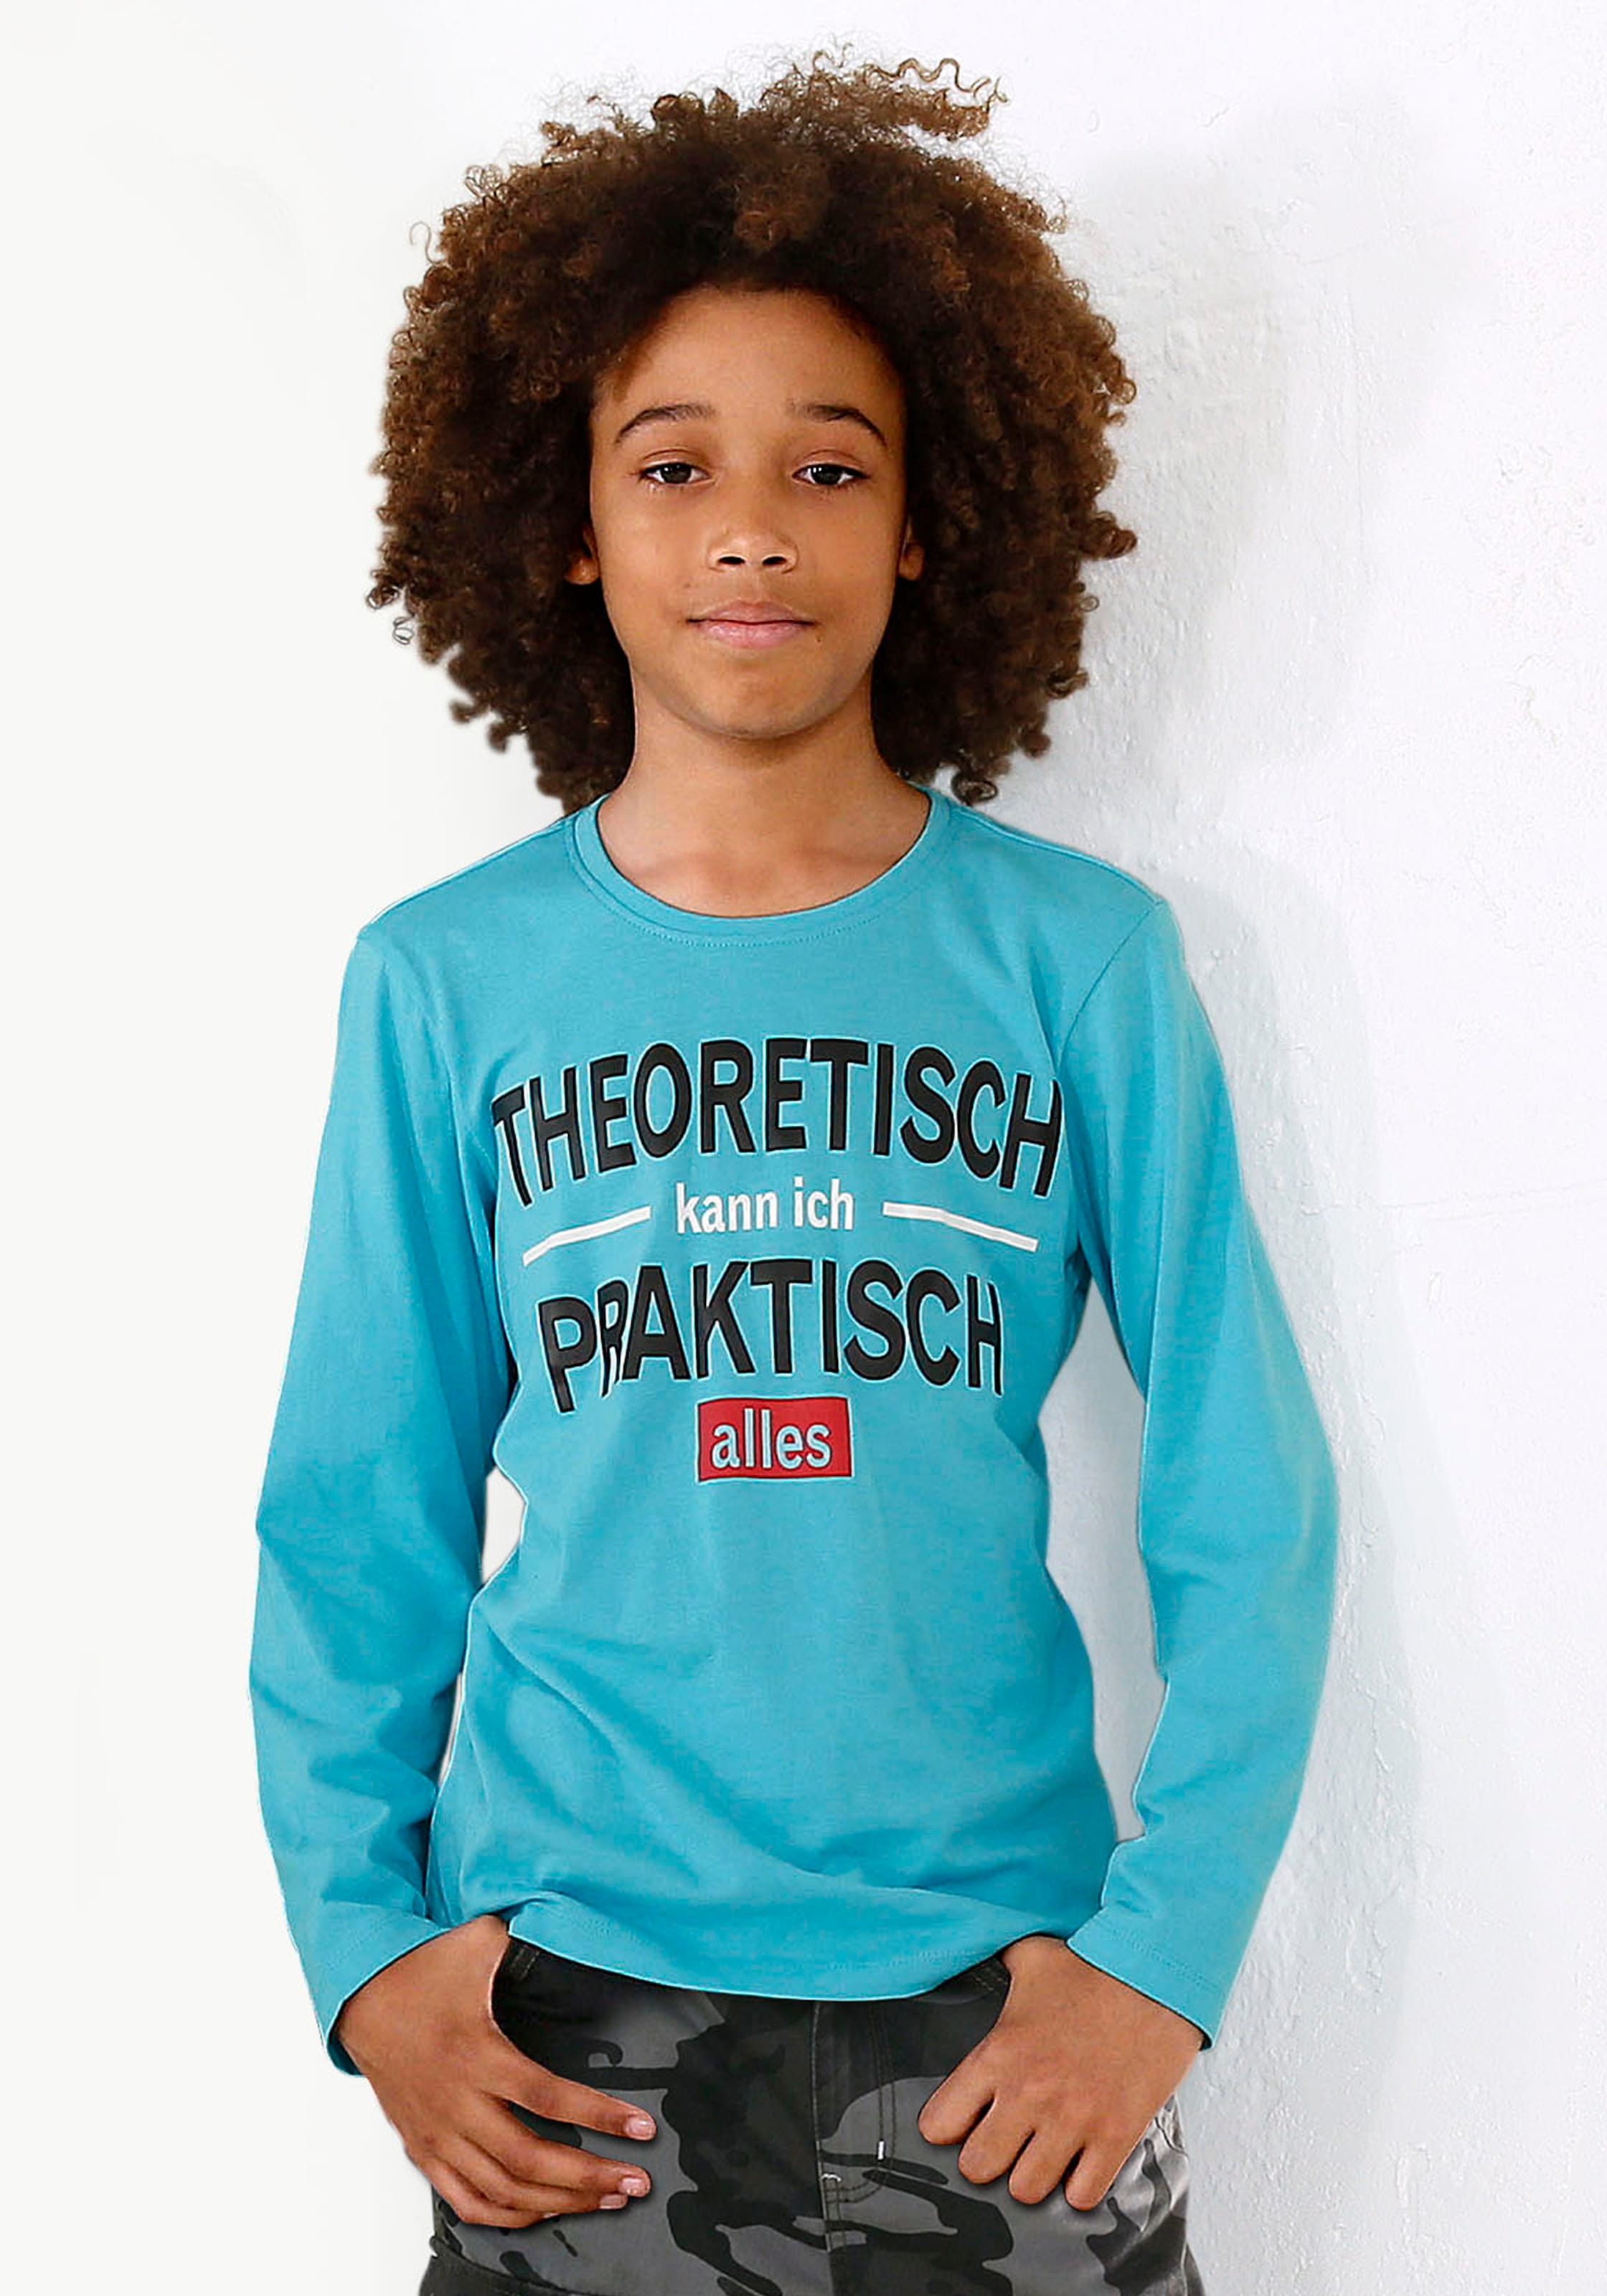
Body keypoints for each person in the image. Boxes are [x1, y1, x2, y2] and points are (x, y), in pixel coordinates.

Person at [250, 50, 1338, 2296]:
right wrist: (366, 1955)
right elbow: (354, 1512)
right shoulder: (444, 983)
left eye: (829, 466)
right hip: (569, 2040)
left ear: (926, 521)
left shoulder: (1077, 964)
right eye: (674, 466)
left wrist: (1166, 1957)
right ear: (567, 520)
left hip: (1002, 2033)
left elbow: (1248, 1489)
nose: (751, 527)